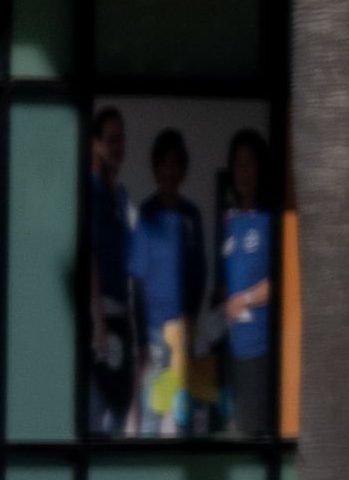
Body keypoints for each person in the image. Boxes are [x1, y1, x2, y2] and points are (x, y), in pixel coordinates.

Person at [125, 126, 210, 438]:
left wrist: (191, 316)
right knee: (150, 421)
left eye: (175, 163)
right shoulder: (147, 214)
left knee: (184, 418)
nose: (169, 170)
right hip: (152, 335)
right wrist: (142, 344)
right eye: (163, 163)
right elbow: (137, 282)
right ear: (155, 168)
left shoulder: (192, 216)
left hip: (183, 335)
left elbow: (200, 272)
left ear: (183, 168)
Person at [209, 126, 279, 441]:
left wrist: (245, 299)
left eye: (250, 162)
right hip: (229, 347)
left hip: (257, 348)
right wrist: (224, 297)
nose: (243, 171)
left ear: (262, 168)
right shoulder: (231, 220)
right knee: (229, 431)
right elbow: (229, 278)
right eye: (237, 163)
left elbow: (280, 283)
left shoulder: (272, 220)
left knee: (251, 435)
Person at [79, 106, 137, 434]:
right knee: (95, 411)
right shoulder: (91, 190)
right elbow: (90, 254)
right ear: (95, 144)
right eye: (111, 140)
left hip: (120, 316)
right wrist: (98, 319)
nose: (118, 147)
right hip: (99, 317)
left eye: (121, 140)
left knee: (119, 409)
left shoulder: (121, 194)